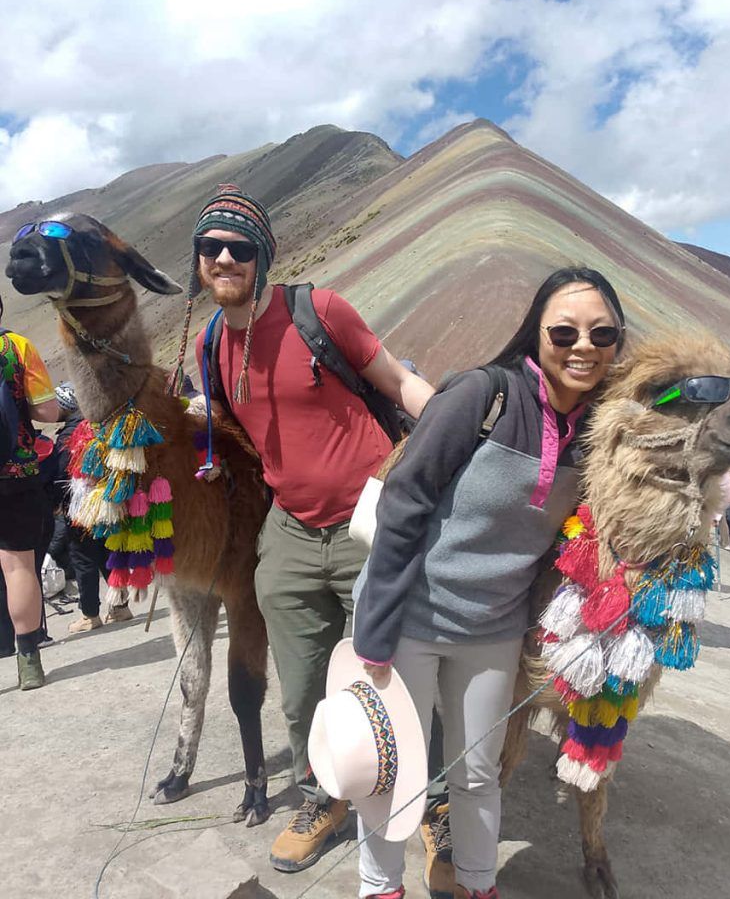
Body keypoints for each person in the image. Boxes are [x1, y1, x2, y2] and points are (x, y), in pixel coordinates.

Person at [168, 184, 435, 872]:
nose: (223, 257)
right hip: (288, 530)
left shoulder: (319, 311)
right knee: (301, 682)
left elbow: (398, 382)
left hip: (369, 520)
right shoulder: (210, 345)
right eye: (210, 247)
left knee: (389, 676)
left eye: (238, 247)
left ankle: (428, 804)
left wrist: (453, 437)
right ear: (197, 259)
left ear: (262, 255)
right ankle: (323, 793)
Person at [351, 267, 625, 899]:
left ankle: (478, 885)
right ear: (537, 334)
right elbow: (405, 497)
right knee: (395, 772)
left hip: (494, 630)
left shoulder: (602, 431)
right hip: (410, 619)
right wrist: (375, 627)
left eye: (602, 333)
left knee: (477, 771)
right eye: (565, 330)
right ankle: (380, 888)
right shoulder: (484, 395)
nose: (583, 345)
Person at [0, 293, 60, 687]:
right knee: (19, 566)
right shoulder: (16, 347)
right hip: (14, 474)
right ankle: (29, 662)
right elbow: (49, 411)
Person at [49, 382, 133, 631]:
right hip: (107, 501)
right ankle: (120, 606)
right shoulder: (99, 427)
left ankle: (90, 614)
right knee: (108, 552)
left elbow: (62, 477)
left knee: (82, 558)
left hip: (82, 507)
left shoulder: (69, 435)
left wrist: (56, 503)